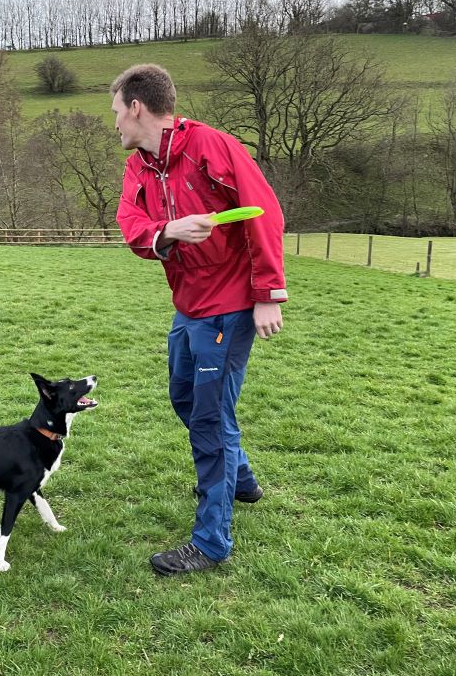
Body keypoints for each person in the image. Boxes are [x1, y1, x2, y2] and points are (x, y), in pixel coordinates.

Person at [111, 64, 287, 576]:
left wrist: (268, 294)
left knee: (210, 420)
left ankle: (212, 542)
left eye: (117, 111)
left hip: (230, 304)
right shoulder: (139, 167)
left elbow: (265, 214)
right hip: (187, 304)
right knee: (184, 397)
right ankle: (241, 480)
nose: (115, 123)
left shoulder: (213, 148)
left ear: (137, 107)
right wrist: (169, 230)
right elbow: (131, 224)